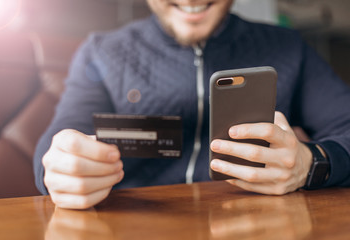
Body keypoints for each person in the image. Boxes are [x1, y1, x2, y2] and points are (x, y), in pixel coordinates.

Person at [34, 0, 350, 209]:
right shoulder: (101, 52)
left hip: (255, 225)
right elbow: (60, 140)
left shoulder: (288, 47)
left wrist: (311, 164)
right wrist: (57, 167)